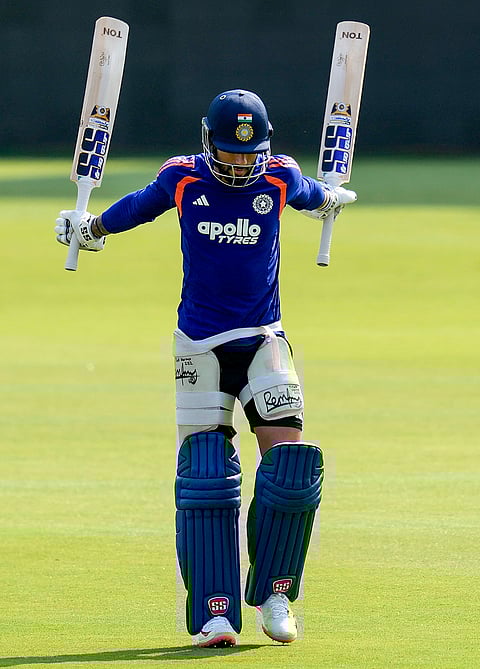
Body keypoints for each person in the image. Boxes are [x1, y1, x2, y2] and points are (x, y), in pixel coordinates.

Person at [55, 89, 356, 648]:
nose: (241, 164)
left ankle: (274, 593)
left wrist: (333, 199)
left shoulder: (282, 177)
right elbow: (135, 208)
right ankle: (215, 613)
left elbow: (317, 196)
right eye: (230, 154)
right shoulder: (183, 178)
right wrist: (88, 228)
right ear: (207, 142)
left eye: (251, 154)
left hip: (265, 339)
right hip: (199, 346)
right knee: (205, 477)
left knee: (290, 470)